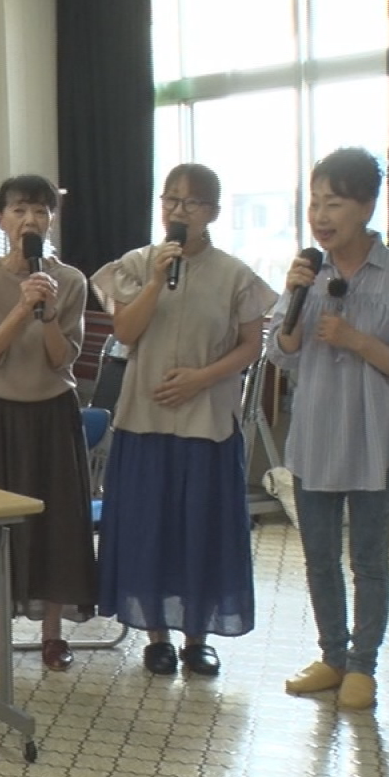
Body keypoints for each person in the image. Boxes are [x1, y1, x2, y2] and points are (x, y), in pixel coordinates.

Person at [93, 164, 278, 677]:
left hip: (207, 422)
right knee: (149, 529)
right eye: (170, 200)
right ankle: (156, 636)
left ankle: (198, 637)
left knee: (200, 530)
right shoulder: (135, 265)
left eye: (191, 203)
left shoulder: (236, 275)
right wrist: (157, 280)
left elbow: (251, 346)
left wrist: (202, 378)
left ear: (212, 212)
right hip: (145, 421)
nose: (178, 210)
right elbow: (126, 331)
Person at [269, 148, 389, 711]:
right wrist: (295, 296)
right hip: (315, 437)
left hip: (377, 442)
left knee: (368, 561)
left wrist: (358, 341)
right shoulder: (307, 273)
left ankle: (363, 666)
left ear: (365, 207)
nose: (320, 216)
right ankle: (332, 656)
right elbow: (281, 352)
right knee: (319, 559)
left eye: (334, 203)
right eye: (314, 203)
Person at [0, 175, 99, 671]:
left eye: (40, 210)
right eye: (19, 210)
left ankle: (53, 636)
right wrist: (21, 306)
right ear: (1, 220)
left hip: (53, 413)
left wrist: (49, 314)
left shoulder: (71, 281)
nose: (30, 220)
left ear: (52, 220)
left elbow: (63, 360)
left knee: (58, 525)